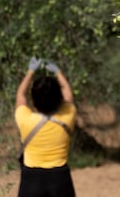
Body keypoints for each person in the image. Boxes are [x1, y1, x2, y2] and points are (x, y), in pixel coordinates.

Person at [15, 57, 77, 197]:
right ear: (59, 99)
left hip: (31, 180)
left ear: (34, 100)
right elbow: (68, 95)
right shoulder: (67, 117)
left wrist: (31, 71)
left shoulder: (26, 119)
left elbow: (20, 95)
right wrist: (57, 72)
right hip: (60, 179)